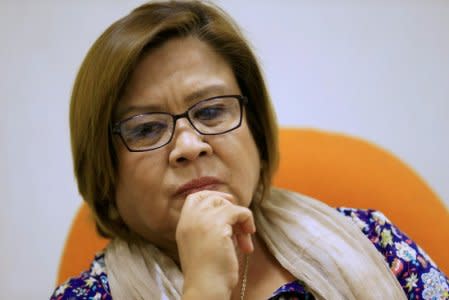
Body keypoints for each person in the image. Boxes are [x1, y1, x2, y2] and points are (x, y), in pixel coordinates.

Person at [51, 1, 449, 299]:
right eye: (147, 129)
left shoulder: (370, 240)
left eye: (210, 111)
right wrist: (204, 288)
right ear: (105, 171)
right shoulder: (85, 296)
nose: (189, 146)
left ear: (255, 130)